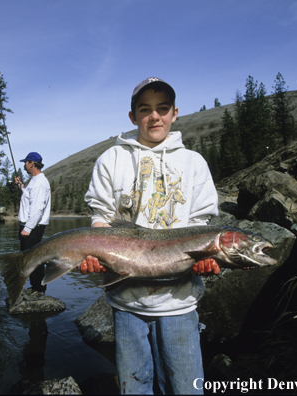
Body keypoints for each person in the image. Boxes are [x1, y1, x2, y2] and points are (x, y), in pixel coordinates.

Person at [81, 77, 221, 394]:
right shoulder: (111, 160)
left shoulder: (194, 163)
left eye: (162, 108)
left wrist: (206, 259)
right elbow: (101, 218)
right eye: (145, 109)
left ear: (174, 113)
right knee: (135, 390)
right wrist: (95, 252)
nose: (154, 116)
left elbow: (202, 224)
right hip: (126, 304)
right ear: (133, 116)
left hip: (180, 304)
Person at [15, 151, 51, 293]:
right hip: (30, 226)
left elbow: (37, 208)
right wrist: (22, 187)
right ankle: (35, 287)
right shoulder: (34, 181)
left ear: (32, 164)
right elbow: (30, 198)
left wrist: (28, 228)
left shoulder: (40, 183)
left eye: (26, 162)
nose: (24, 165)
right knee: (30, 258)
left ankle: (39, 290)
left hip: (33, 227)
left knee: (33, 259)